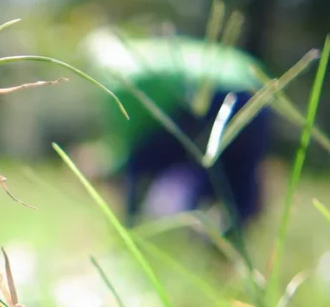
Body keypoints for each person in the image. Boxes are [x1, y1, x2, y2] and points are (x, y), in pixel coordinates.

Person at [81, 30, 273, 242]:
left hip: (209, 95)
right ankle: (233, 249)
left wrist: (113, 167)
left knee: (139, 166)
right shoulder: (151, 51)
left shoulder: (118, 77)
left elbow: (130, 142)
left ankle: (129, 232)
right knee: (238, 175)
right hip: (256, 87)